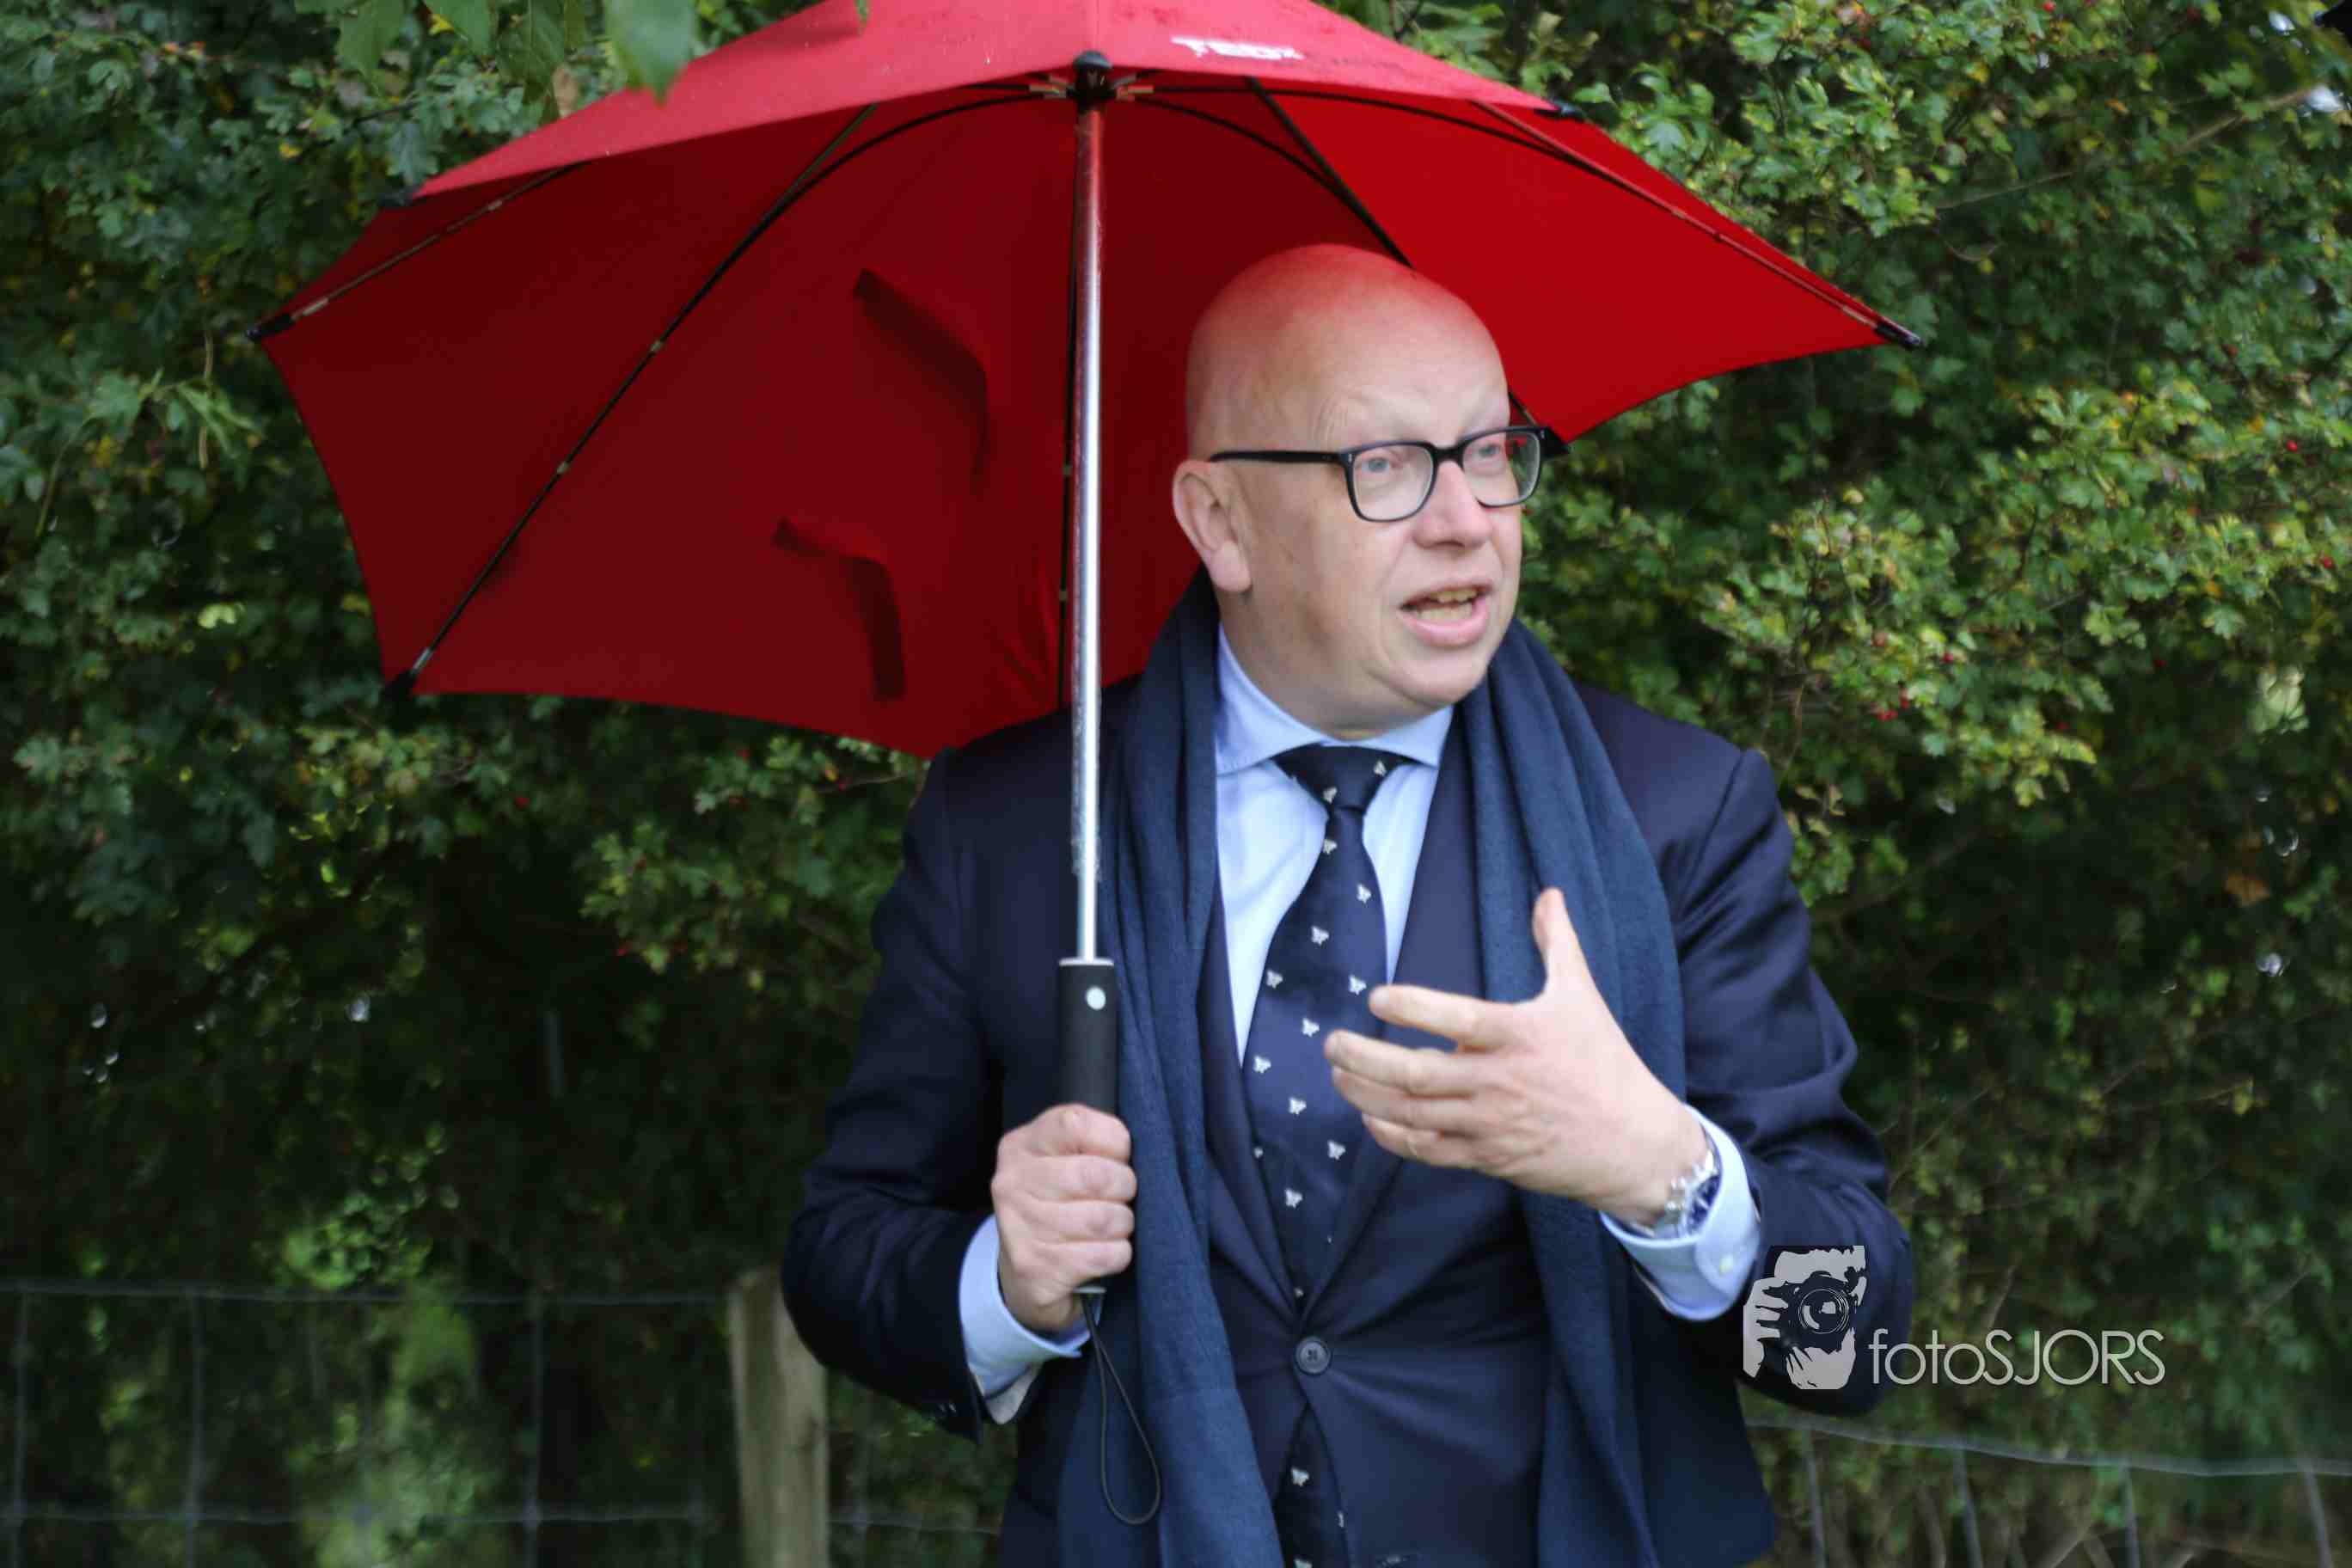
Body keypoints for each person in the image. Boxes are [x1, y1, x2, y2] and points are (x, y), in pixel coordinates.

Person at [782, 244, 1913, 1567]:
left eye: (1490, 452)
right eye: (1387, 467)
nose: (1466, 519)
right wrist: (1006, 1282)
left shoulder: (1677, 814)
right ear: (1220, 522)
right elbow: (844, 1251)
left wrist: (1662, 1171)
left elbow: (1857, 1330)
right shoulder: (1022, 826)